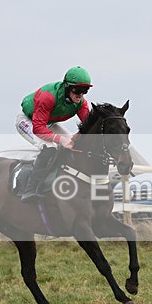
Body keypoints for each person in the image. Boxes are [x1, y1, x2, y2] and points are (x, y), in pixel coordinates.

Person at [15, 66, 93, 202]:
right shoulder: (48, 97)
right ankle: (29, 189)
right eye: (78, 90)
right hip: (29, 121)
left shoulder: (81, 103)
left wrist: (78, 136)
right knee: (49, 148)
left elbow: (89, 126)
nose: (80, 94)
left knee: (75, 145)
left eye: (85, 90)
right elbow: (38, 128)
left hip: (48, 123)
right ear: (67, 87)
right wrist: (61, 140)